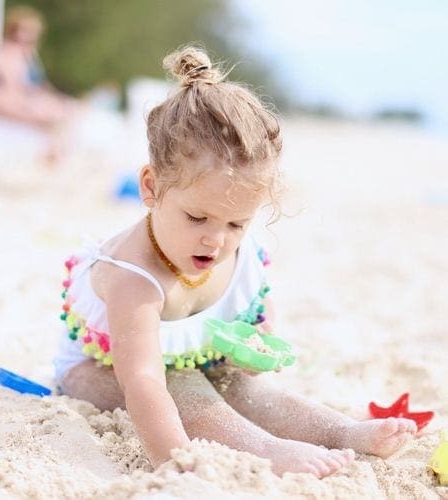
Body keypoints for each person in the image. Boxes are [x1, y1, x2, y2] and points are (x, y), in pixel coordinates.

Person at [53, 46, 417, 478]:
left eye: (236, 223)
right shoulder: (135, 277)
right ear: (151, 187)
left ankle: (341, 430)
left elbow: (258, 317)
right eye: (196, 217)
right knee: (184, 386)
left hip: (194, 359)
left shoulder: (237, 248)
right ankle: (266, 449)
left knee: (243, 386)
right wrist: (173, 463)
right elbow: (144, 383)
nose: (215, 238)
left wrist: (255, 348)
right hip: (102, 370)